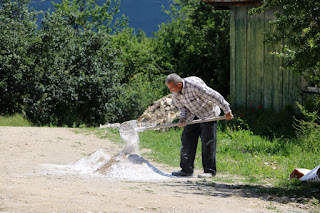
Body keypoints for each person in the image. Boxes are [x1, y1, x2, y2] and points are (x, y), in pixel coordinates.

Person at [166, 73, 233, 178]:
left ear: (179, 84)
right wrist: (183, 118)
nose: (170, 90)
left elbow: (214, 96)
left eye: (171, 88)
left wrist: (227, 110)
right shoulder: (176, 93)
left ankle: (209, 171)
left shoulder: (194, 86)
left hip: (208, 113)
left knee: (207, 141)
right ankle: (186, 170)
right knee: (187, 139)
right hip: (192, 115)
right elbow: (182, 108)